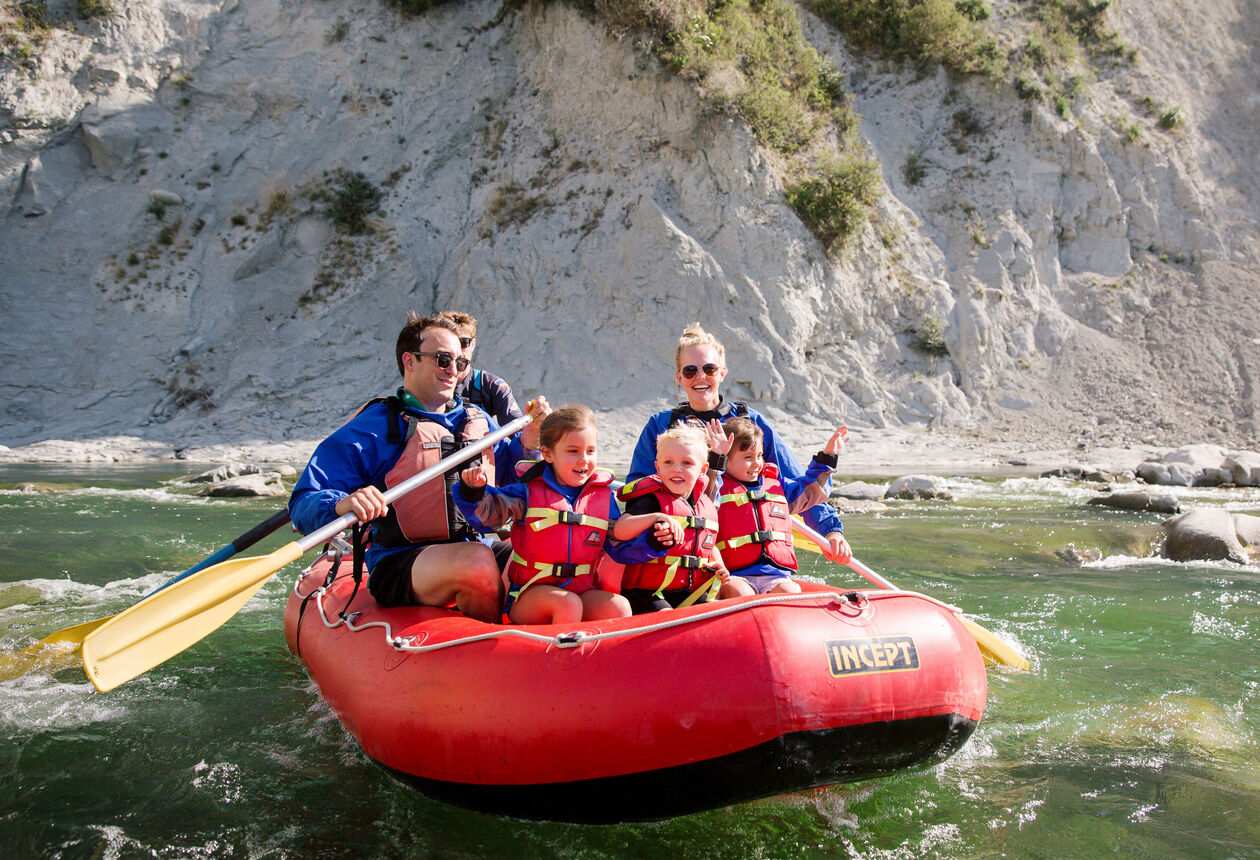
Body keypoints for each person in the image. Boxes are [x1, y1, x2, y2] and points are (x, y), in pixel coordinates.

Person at [288, 312, 548, 623]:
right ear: (409, 361)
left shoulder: (477, 420)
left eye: (459, 362)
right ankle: (493, 645)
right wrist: (343, 503)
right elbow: (303, 501)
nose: (453, 370)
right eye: (442, 360)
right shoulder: (375, 427)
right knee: (476, 563)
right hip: (399, 560)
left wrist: (529, 441)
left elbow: (509, 474)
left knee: (547, 556)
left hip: (474, 545)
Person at [627, 322, 851, 562]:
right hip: (688, 545)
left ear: (722, 373)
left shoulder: (751, 422)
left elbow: (795, 481)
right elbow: (638, 491)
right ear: (679, 376)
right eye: (690, 370)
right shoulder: (661, 426)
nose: (700, 377)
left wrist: (831, 530)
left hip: (741, 551)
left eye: (709, 369)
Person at [455, 404, 673, 624]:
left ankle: (599, 647)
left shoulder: (603, 498)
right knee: (568, 603)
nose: (584, 459)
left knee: (618, 607)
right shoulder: (527, 492)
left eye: (590, 451)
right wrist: (473, 492)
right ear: (548, 454)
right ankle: (560, 646)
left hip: (580, 591)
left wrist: (653, 541)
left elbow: (620, 549)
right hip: (530, 594)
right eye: (573, 451)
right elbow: (487, 518)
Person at [617, 424, 756, 614]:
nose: (676, 469)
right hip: (646, 592)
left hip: (686, 592)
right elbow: (620, 529)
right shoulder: (651, 500)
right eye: (668, 462)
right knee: (667, 616)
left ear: (703, 469)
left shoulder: (704, 504)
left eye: (686, 463)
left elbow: (709, 544)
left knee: (720, 614)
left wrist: (718, 565)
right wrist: (657, 517)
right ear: (657, 467)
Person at [712, 417, 851, 594]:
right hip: (734, 575)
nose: (756, 463)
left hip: (774, 574)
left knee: (790, 591)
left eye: (759, 456)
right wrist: (716, 456)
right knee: (741, 593)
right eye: (748, 457)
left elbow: (810, 491)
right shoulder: (716, 488)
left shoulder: (777, 486)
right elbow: (706, 487)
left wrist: (828, 457)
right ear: (725, 459)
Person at [437, 310, 526, 427]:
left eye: (463, 342)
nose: (457, 349)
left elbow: (517, 430)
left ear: (473, 344)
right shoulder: (427, 382)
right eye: (451, 343)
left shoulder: (491, 385)